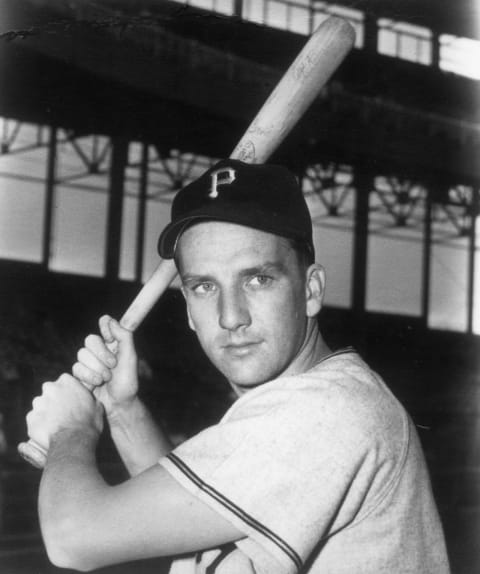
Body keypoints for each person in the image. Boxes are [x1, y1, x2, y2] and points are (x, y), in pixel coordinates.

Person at [25, 159, 450, 573]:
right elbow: (193, 521)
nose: (231, 316)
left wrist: (72, 430)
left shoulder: (326, 412)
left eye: (257, 279)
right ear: (189, 311)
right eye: (205, 286)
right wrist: (122, 407)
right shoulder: (311, 402)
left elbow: (72, 538)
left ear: (311, 289)